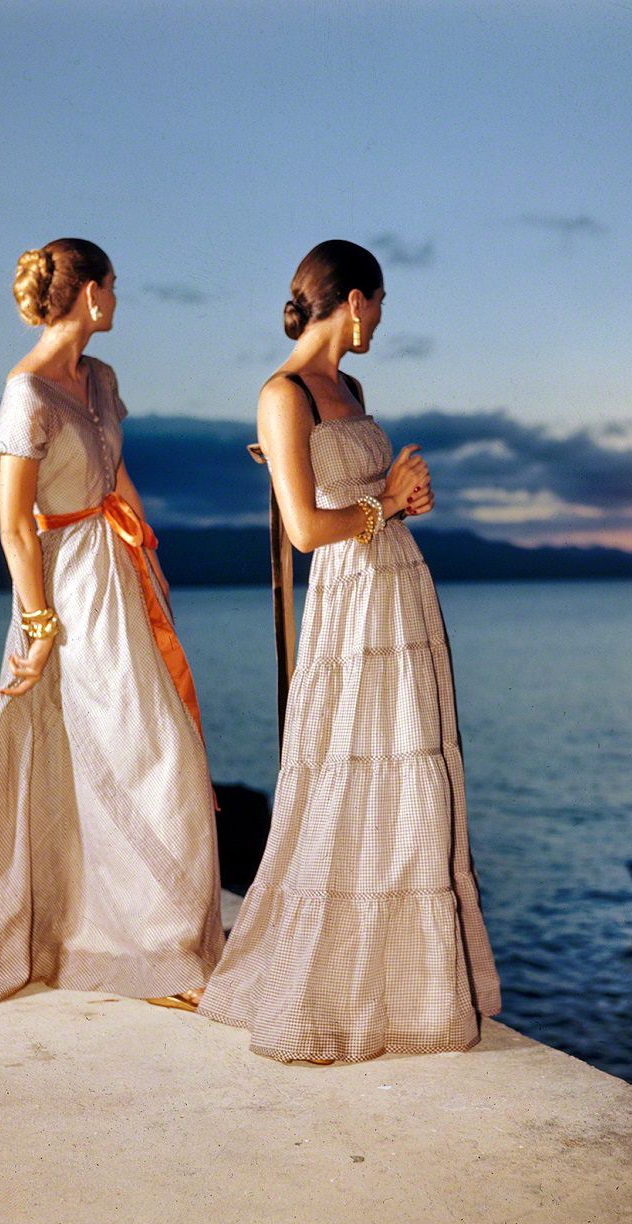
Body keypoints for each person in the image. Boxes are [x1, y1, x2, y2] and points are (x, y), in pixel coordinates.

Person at [0, 238, 222, 1007]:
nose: (118, 300)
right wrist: (39, 626)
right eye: (115, 286)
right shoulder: (27, 392)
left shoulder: (100, 378)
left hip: (120, 570)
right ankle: (150, 954)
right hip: (67, 586)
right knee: (126, 755)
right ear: (93, 294)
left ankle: (158, 946)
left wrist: (155, 566)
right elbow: (13, 526)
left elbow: (120, 477)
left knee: (155, 748)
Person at [198, 240, 500, 1061]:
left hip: (400, 592)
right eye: (382, 304)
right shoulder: (283, 394)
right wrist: (385, 505)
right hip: (346, 605)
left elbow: (370, 504)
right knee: (347, 770)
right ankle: (331, 982)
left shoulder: (353, 389)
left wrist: (403, 500)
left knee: (413, 775)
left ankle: (413, 988)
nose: (381, 321)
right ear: (357, 300)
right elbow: (303, 530)